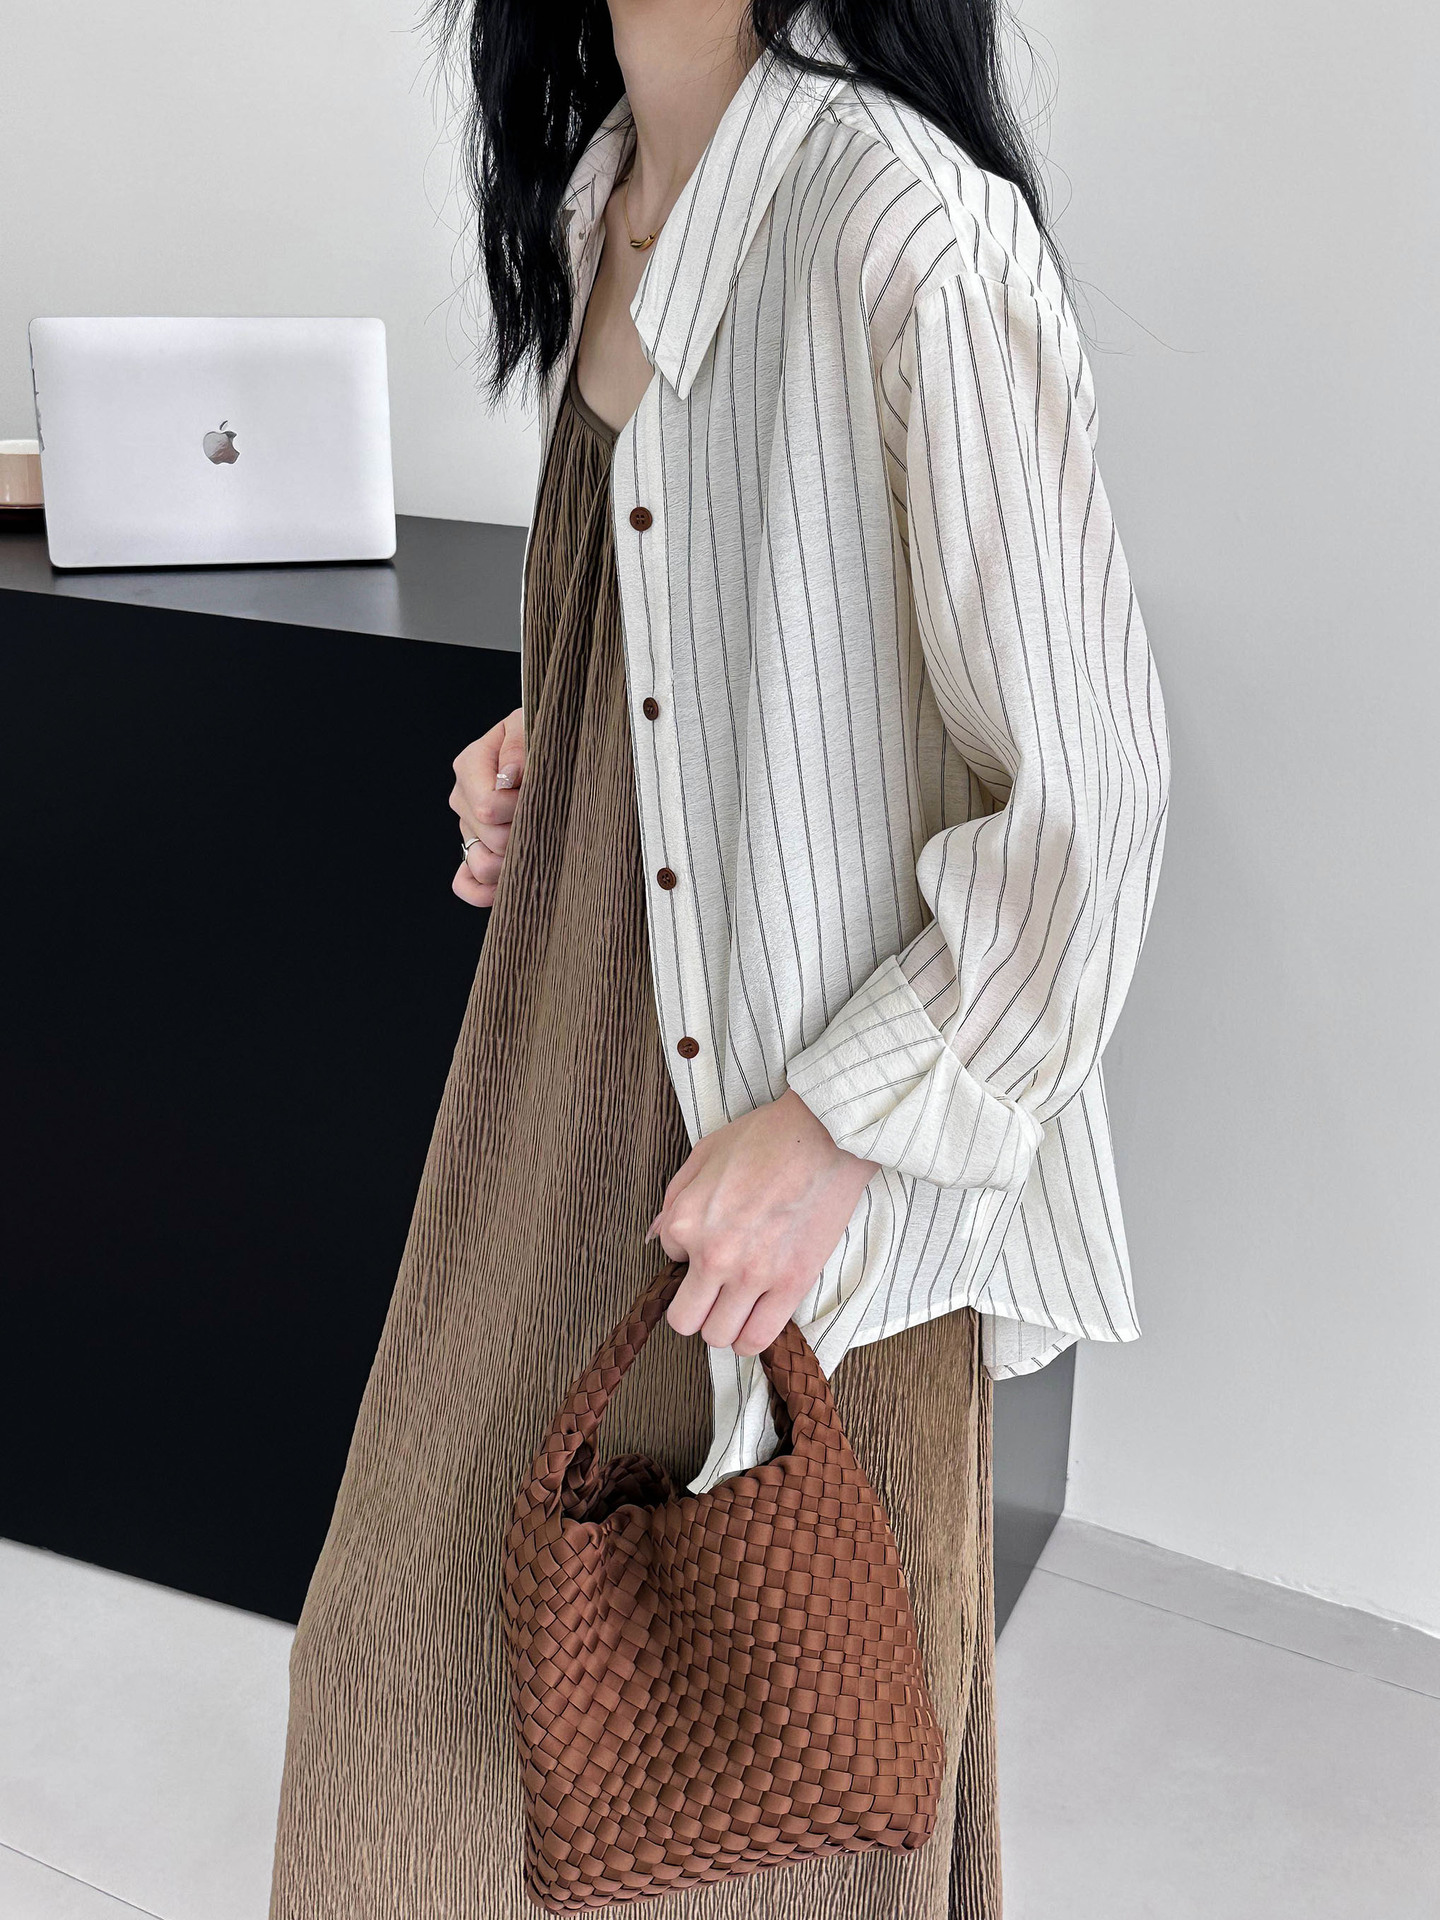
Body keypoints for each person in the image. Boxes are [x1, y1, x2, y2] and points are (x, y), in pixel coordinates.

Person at [268, 2, 1169, 1915]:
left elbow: (1087, 801)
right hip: (562, 1071)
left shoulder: (901, 224)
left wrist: (837, 1127)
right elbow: (696, 607)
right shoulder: (606, 191)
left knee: (779, 1776)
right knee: (402, 1658)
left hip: (796, 1126)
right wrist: (564, 740)